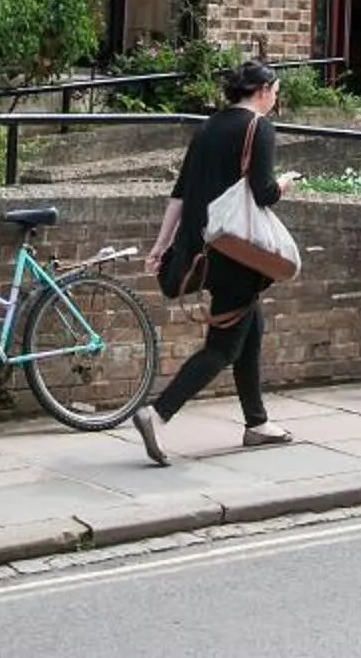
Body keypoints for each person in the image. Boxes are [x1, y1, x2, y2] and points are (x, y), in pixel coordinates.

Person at [135, 59, 300, 463]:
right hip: (236, 253)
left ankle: (257, 423)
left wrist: (161, 245)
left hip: (199, 248)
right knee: (224, 346)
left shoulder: (208, 127)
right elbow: (261, 193)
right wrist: (283, 185)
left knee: (251, 327)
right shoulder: (258, 127)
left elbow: (180, 192)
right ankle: (157, 414)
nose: (276, 98)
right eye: (275, 91)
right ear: (262, 90)